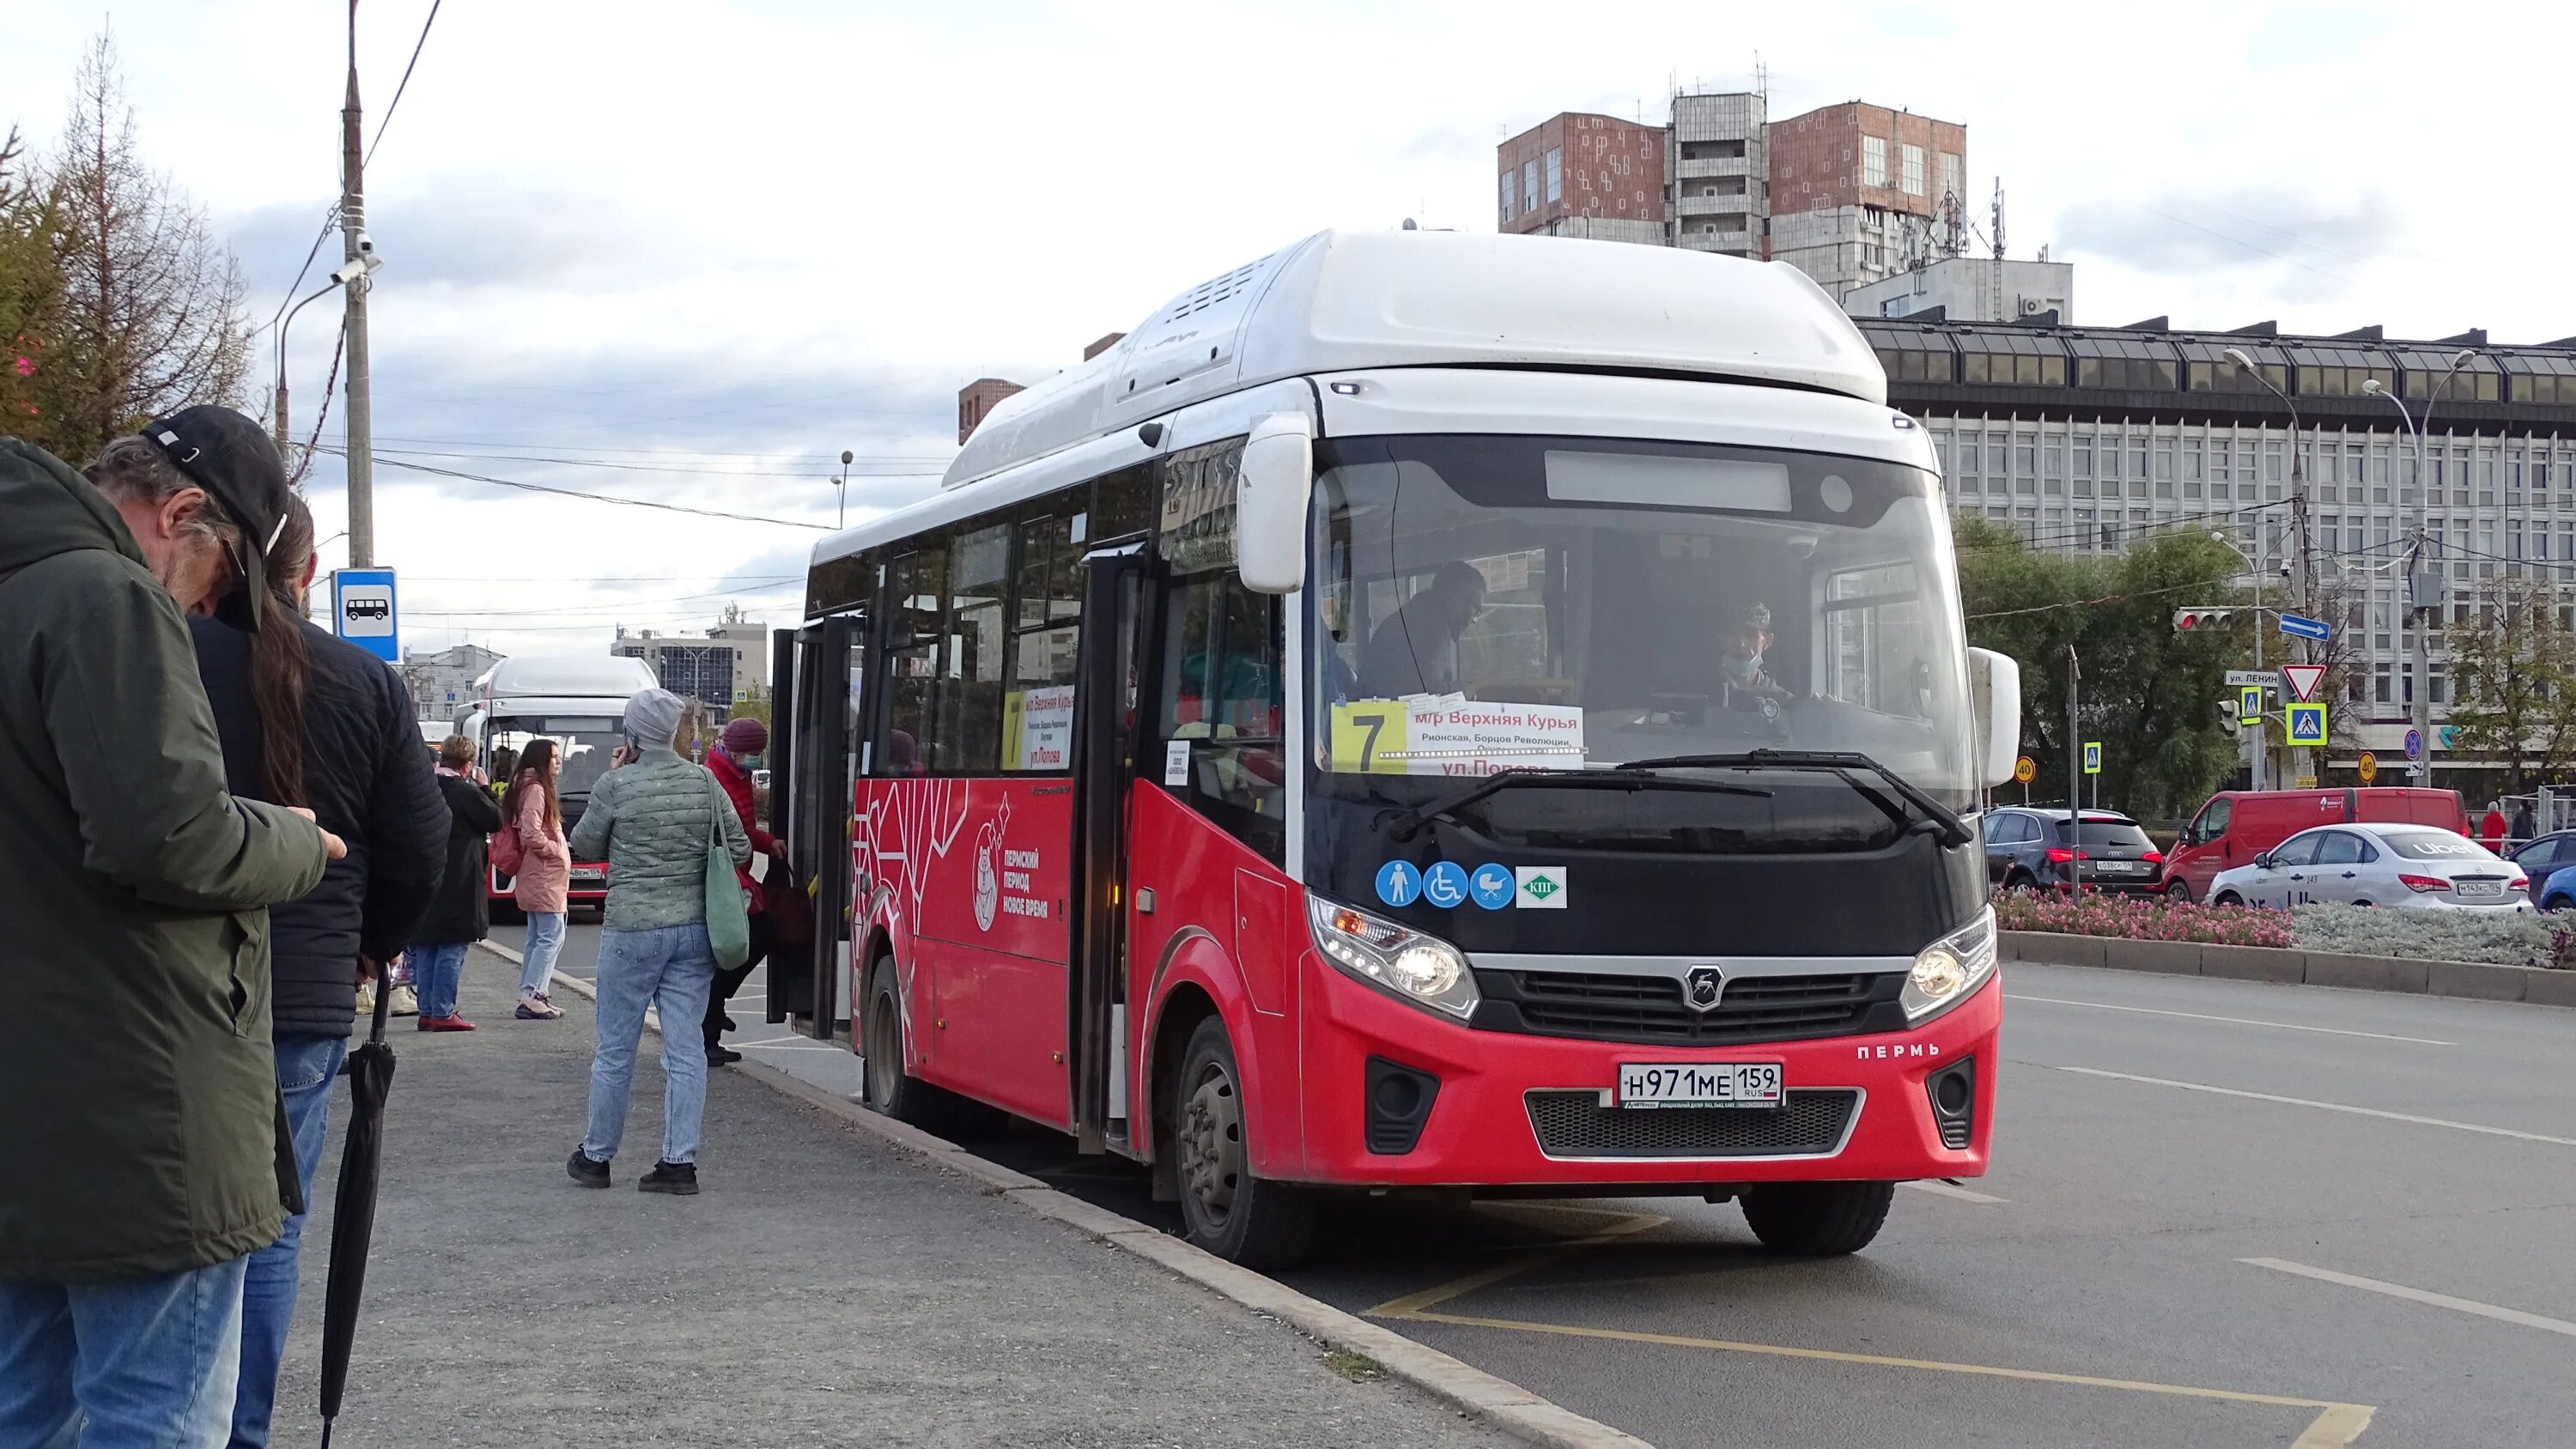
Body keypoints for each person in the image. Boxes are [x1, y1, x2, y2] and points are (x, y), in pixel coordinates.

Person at [0, 415, 342, 1447]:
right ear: (182, 512)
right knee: (160, 1413)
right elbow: (169, 838)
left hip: (31, 1099)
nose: (197, 610)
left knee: (28, 1405)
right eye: (214, 581)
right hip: (141, 1091)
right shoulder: (106, 598)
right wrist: (292, 840)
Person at [186, 493, 449, 1449]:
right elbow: (421, 846)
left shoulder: (162, 659)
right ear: (306, 571)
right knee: (271, 1224)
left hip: (170, 983)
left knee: (165, 1216)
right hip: (302, 992)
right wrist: (369, 943)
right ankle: (241, 1429)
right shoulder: (360, 680)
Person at [568, 688, 750, 1195]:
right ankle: (678, 1163)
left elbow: (583, 845)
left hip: (631, 930)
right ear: (674, 732)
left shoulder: (616, 785)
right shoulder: (706, 783)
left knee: (615, 1050)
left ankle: (596, 1157)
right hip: (694, 933)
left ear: (633, 734)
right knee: (686, 1049)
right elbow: (737, 847)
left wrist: (615, 775)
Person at [704, 717, 787, 1065]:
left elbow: (745, 827)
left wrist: (769, 843)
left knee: (734, 949)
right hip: (726, 878)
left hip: (738, 872)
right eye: (752, 752)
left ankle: (713, 1020)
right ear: (737, 749)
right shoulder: (715, 778)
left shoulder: (739, 775)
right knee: (748, 939)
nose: (755, 758)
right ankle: (709, 1024)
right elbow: (727, 831)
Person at [408, 736, 505, 1031]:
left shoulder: (422, 789)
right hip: (459, 879)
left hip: (424, 876)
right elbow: (495, 820)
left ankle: (425, 1010)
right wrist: (486, 787)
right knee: (452, 944)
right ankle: (442, 1011)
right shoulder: (464, 792)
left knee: (426, 945)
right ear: (468, 764)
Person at [507, 737, 573, 1020]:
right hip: (544, 875)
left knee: (539, 937)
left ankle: (532, 993)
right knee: (551, 936)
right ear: (541, 760)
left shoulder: (526, 786)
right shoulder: (536, 789)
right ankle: (534, 994)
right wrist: (556, 851)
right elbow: (531, 833)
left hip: (539, 874)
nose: (558, 762)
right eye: (554, 757)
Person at [1358, 561, 1486, 698]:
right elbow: (1429, 691)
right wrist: (1465, 690)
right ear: (1457, 599)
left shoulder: (1415, 615)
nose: (1474, 619)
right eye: (1476, 610)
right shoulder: (1433, 627)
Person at [1720, 602, 1789, 699]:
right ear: (1722, 639)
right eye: (1733, 634)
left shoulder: (1783, 703)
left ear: (1767, 641)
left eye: (1750, 635)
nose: (1741, 644)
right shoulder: (1700, 693)